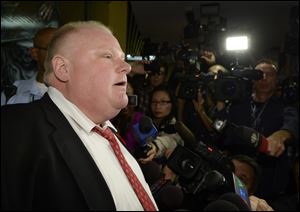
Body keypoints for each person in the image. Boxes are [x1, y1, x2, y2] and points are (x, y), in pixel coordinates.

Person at [1, 21, 158, 211]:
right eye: (107, 56)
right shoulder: (13, 128)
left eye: (123, 58)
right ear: (63, 69)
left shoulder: (110, 136)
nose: (127, 67)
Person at [215, 58, 299, 203]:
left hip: (271, 179)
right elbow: (222, 132)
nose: (264, 78)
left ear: (277, 80)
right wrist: (221, 102)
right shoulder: (237, 105)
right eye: (259, 74)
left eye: (269, 74)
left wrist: (279, 137)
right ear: (252, 79)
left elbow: (291, 125)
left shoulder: (284, 106)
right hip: (239, 176)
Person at [1, 27, 57, 105]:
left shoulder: (75, 92)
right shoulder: (13, 93)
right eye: (52, 49)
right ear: (35, 53)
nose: (60, 54)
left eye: (64, 48)